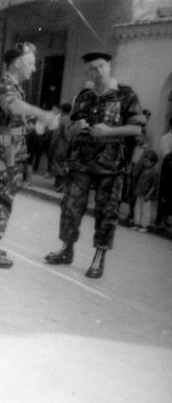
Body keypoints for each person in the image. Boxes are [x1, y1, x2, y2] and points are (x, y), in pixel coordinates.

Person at [44, 51, 144, 279]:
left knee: (106, 212)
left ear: (109, 67)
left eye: (101, 67)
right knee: (70, 206)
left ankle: (99, 258)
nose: (97, 72)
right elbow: (69, 128)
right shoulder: (84, 96)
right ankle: (66, 249)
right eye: (92, 69)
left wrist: (111, 131)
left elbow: (137, 128)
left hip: (110, 164)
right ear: (87, 72)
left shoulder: (125, 95)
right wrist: (75, 128)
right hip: (81, 162)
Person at [0, 43, 59, 268]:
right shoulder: (7, 87)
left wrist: (35, 125)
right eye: (30, 63)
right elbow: (12, 106)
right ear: (18, 63)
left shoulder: (14, 86)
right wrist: (41, 113)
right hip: (5, 152)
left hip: (7, 149)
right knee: (2, 198)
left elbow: (11, 121)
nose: (33, 69)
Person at [132, 150, 159, 233]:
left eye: (147, 162)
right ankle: (137, 223)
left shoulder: (154, 173)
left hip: (146, 194)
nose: (145, 163)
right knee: (137, 209)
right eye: (144, 161)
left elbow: (154, 186)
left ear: (153, 162)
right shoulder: (143, 170)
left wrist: (148, 195)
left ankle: (144, 226)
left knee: (145, 210)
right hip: (139, 192)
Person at [49, 102, 72, 191]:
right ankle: (58, 183)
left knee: (56, 163)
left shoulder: (61, 120)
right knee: (63, 164)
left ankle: (60, 183)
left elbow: (56, 135)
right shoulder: (72, 120)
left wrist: (52, 145)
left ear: (61, 110)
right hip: (69, 146)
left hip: (60, 145)